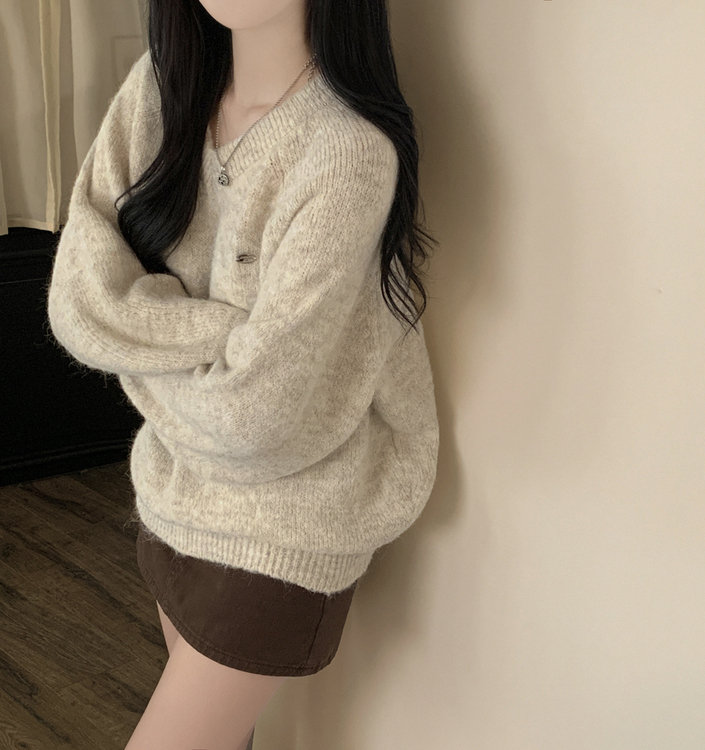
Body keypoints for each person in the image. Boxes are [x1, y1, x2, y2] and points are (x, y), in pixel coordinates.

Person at [46, 0, 440, 748]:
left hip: (279, 535)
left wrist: (146, 340)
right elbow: (79, 301)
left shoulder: (347, 153)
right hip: (170, 501)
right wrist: (232, 338)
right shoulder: (162, 88)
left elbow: (252, 416)